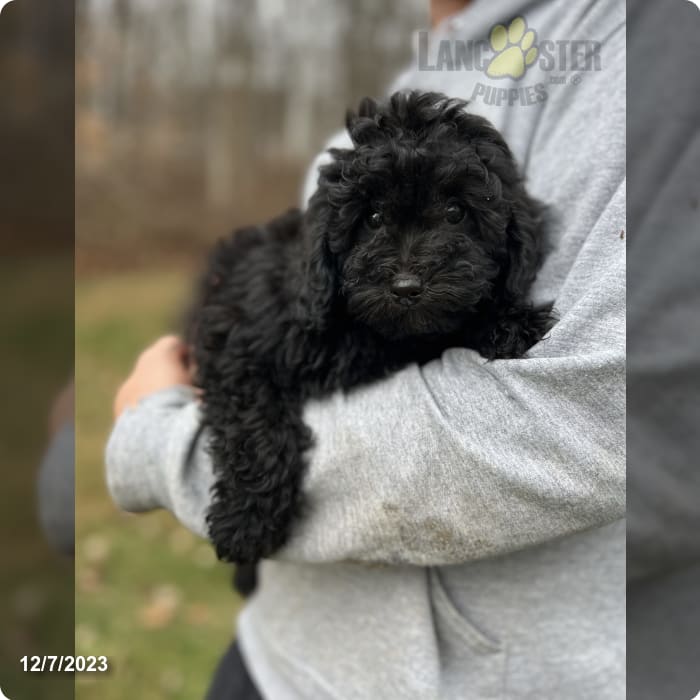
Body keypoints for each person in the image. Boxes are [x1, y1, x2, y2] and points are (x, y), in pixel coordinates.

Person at [106, 0, 626, 697]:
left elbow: (593, 418)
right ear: (330, 257)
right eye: (377, 221)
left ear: (513, 243)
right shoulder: (307, 310)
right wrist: (242, 482)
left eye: (450, 216)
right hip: (279, 656)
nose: (408, 269)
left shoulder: (636, 47)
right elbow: (233, 356)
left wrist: (497, 319)